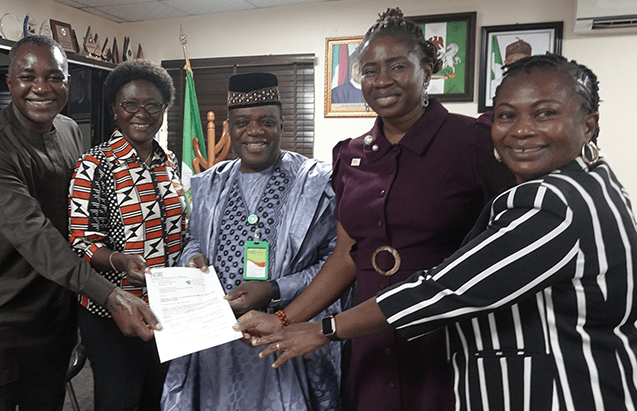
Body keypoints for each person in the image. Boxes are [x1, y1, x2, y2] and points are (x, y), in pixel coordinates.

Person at [245, 54, 637, 411]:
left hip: (556, 389)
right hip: (401, 344)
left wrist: (323, 330)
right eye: (506, 116)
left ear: (588, 125)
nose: (521, 131)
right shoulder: (594, 182)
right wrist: (284, 318)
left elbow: (443, 290)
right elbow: (347, 255)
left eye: (544, 113)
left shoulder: (551, 201)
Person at [235, 8, 513, 411]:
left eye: (397, 66)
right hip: (364, 334)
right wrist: (283, 320)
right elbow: (346, 258)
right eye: (368, 70)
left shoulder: (472, 141)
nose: (381, 80)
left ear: (428, 70)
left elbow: (509, 242)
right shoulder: (351, 156)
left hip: (446, 335)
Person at [0, 36, 159, 411]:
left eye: (54, 77)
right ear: (10, 83)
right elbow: (34, 234)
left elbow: (79, 214)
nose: (41, 88)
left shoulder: (67, 130)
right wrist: (111, 294)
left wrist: (117, 257)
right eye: (27, 76)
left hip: (53, 307)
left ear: (68, 82)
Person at [161, 72, 346, 411]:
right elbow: (193, 241)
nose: (255, 131)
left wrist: (276, 288)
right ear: (230, 128)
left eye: (267, 122)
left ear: (283, 123)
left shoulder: (318, 184)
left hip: (287, 333)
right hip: (218, 339)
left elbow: (336, 264)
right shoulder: (207, 185)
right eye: (243, 122)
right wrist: (192, 259)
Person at [68, 58, 187, 411]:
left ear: (164, 109)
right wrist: (118, 260)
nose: (142, 113)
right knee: (120, 398)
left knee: (160, 395)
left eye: (153, 105)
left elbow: (180, 227)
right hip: (112, 310)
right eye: (130, 104)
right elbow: (80, 243)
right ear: (114, 109)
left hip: (166, 306)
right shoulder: (94, 165)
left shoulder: (170, 162)